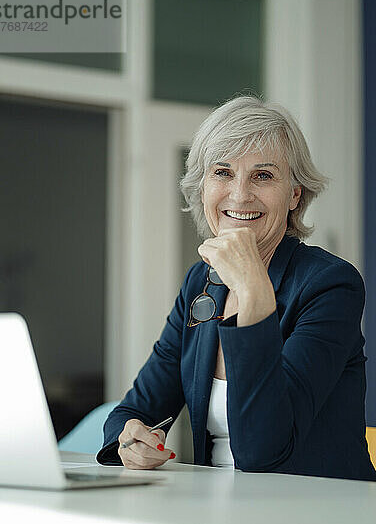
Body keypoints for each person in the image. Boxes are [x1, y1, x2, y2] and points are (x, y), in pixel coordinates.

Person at [96, 96, 376, 481]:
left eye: (263, 176)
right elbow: (131, 412)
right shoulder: (201, 282)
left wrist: (252, 287)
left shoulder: (330, 285)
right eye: (223, 172)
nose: (240, 194)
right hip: (223, 508)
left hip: (318, 512)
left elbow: (264, 450)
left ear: (294, 194)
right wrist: (130, 440)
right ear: (203, 187)